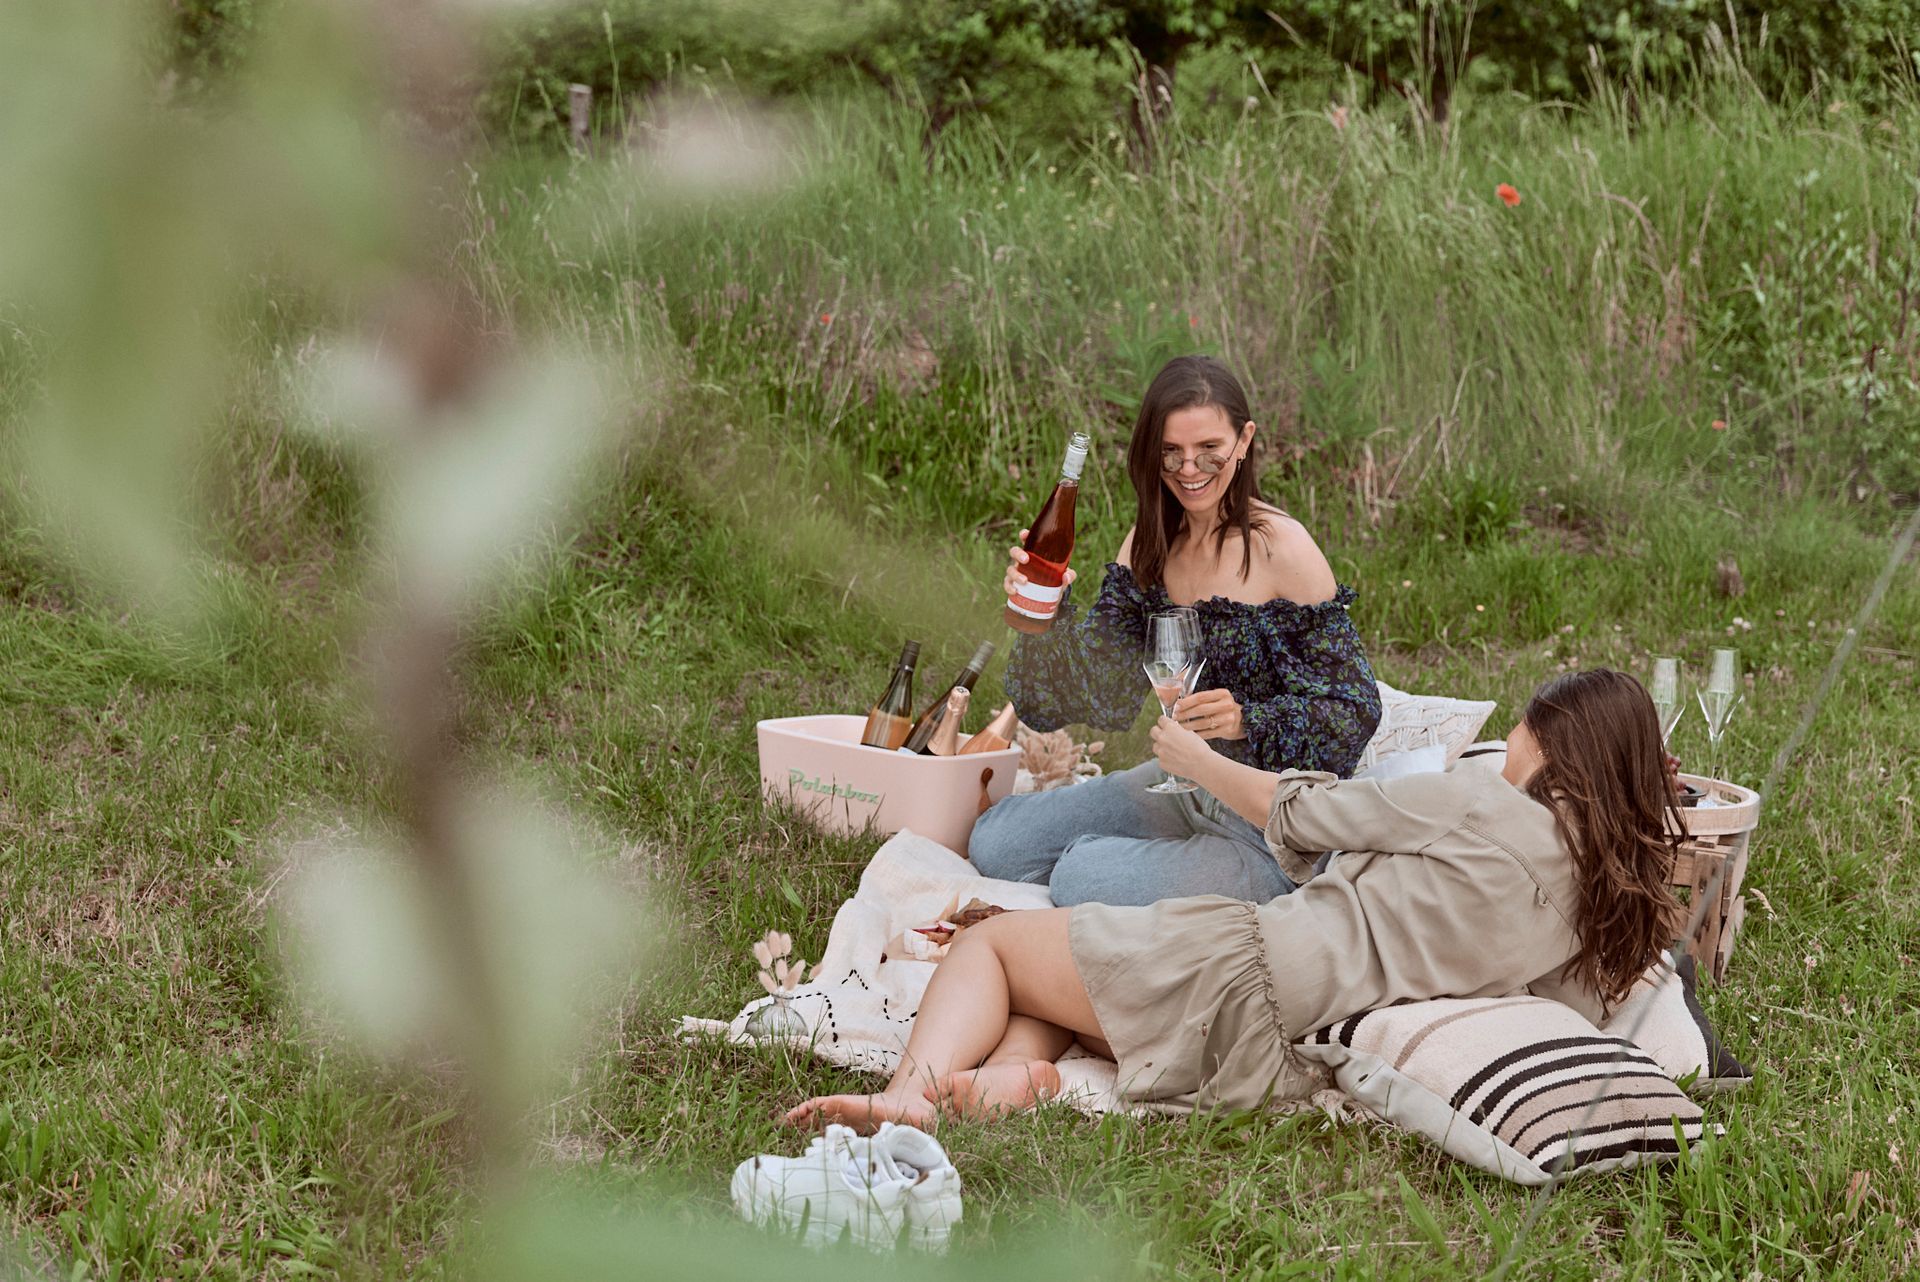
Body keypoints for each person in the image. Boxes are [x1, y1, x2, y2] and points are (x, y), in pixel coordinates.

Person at [787, 669, 1682, 1131]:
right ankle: (1009, 1083)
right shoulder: (1592, 908)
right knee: (1054, 981)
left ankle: (912, 1091)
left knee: (994, 947)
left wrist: (1207, 766)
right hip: (1283, 1052)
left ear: (1553, 739)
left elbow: (1311, 809)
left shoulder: (1482, 797)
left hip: (1243, 966)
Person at [969, 355, 1382, 907]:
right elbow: (1096, 689)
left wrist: (1244, 720)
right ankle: (1143, 857)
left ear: (1244, 440)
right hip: (1183, 789)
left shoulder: (1280, 547)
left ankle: (1133, 865)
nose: (1190, 469)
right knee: (998, 843)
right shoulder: (1150, 544)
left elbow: (1355, 711)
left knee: (1078, 879)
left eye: (1209, 448)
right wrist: (1044, 609)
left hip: (1271, 826)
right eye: (1171, 452)